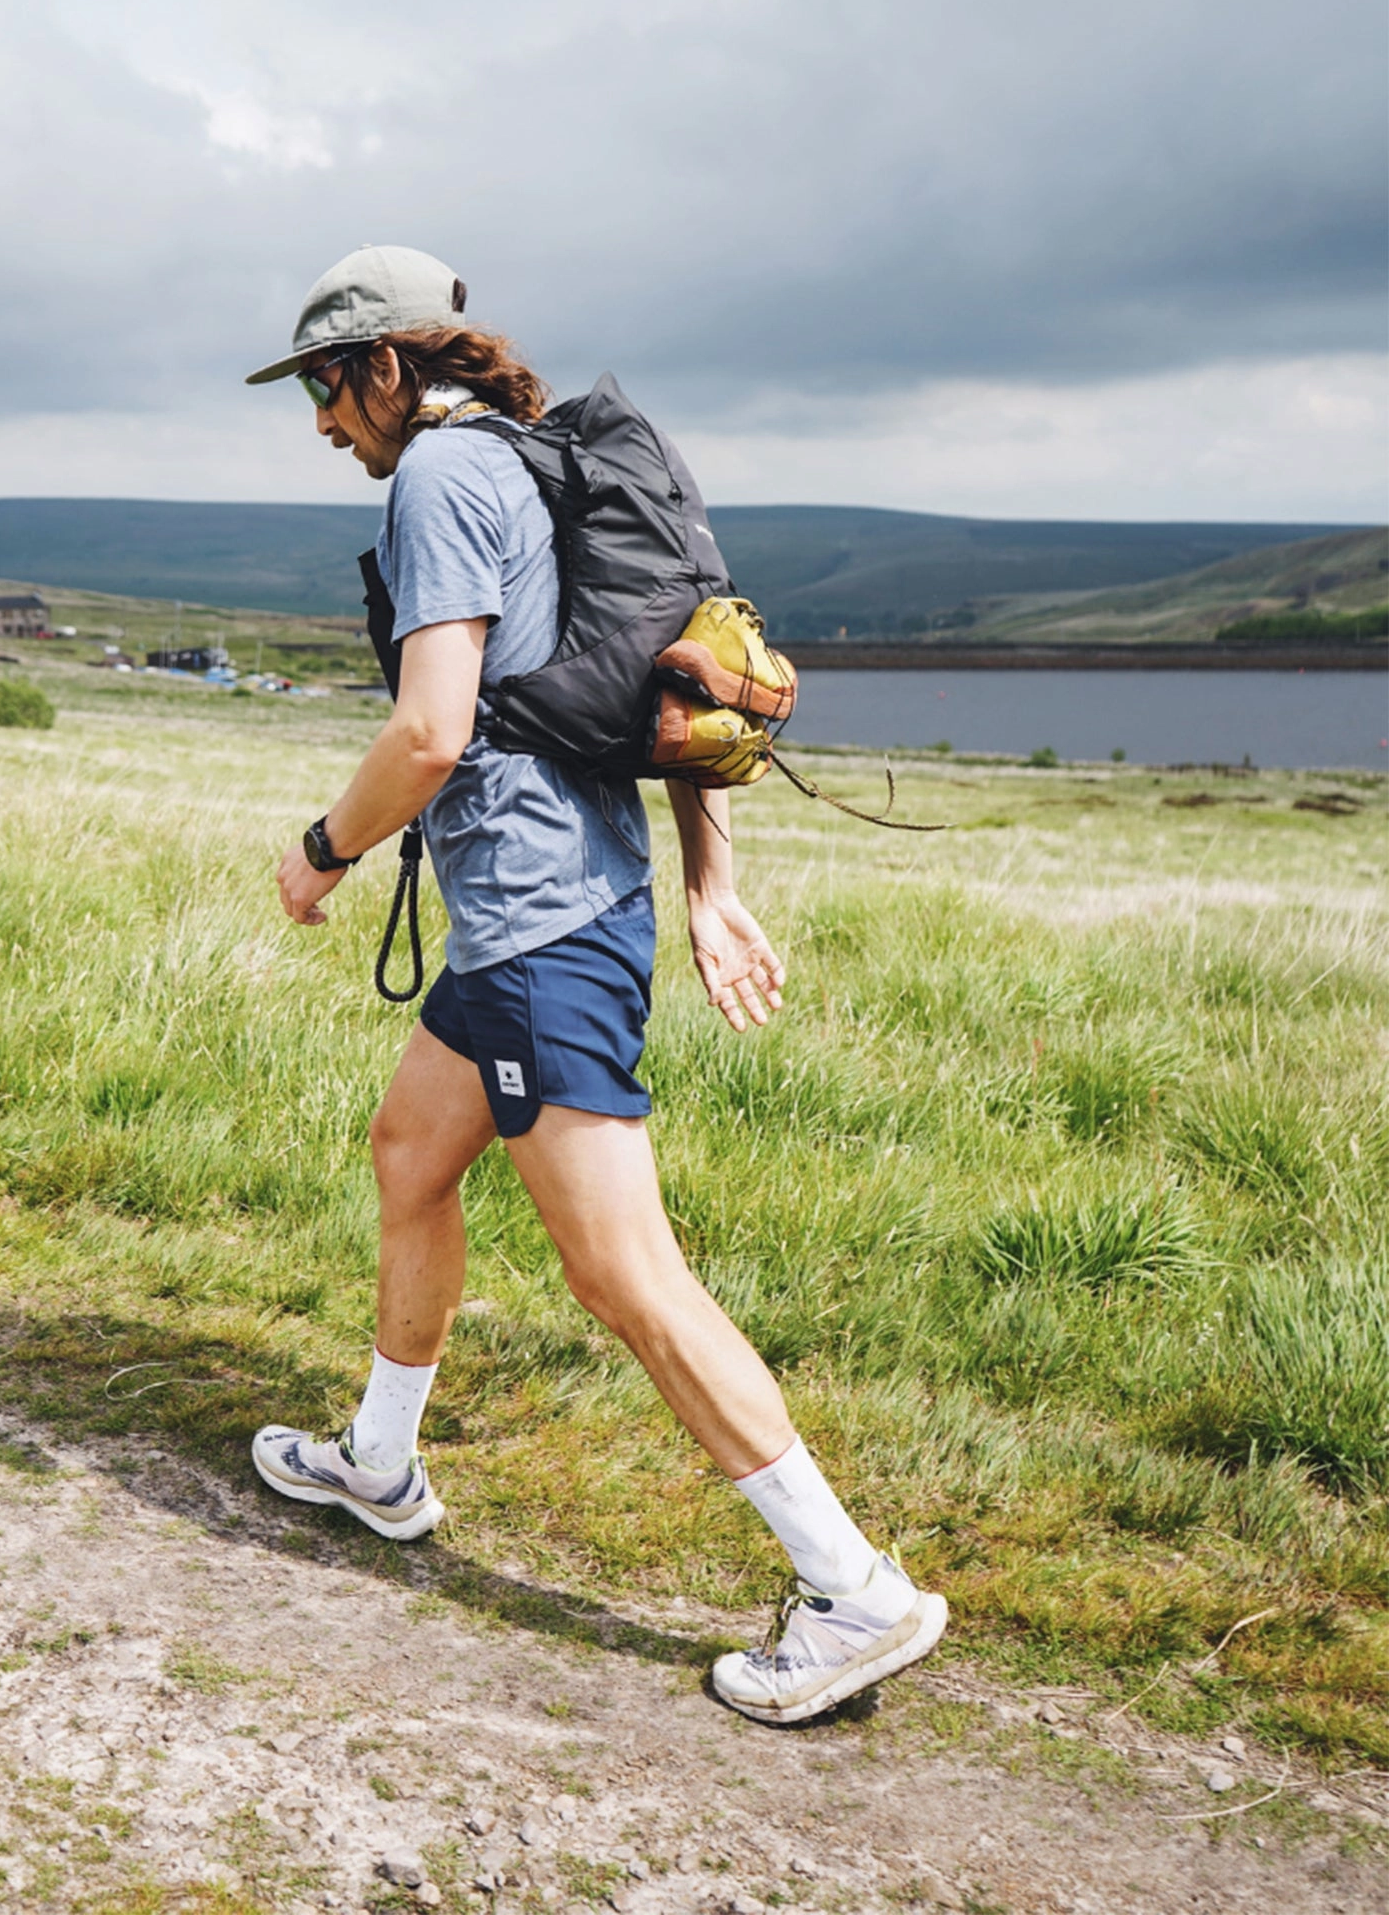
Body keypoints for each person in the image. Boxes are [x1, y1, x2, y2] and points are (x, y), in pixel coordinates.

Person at [242, 245, 947, 1726]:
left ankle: (852, 1589)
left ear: (387, 367)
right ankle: (380, 1460)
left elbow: (432, 732)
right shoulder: (533, 463)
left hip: (538, 933)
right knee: (407, 1157)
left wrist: (319, 853)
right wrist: (707, 883)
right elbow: (667, 681)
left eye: (322, 386)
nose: (318, 421)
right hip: (555, 918)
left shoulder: (441, 479)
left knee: (626, 1276)